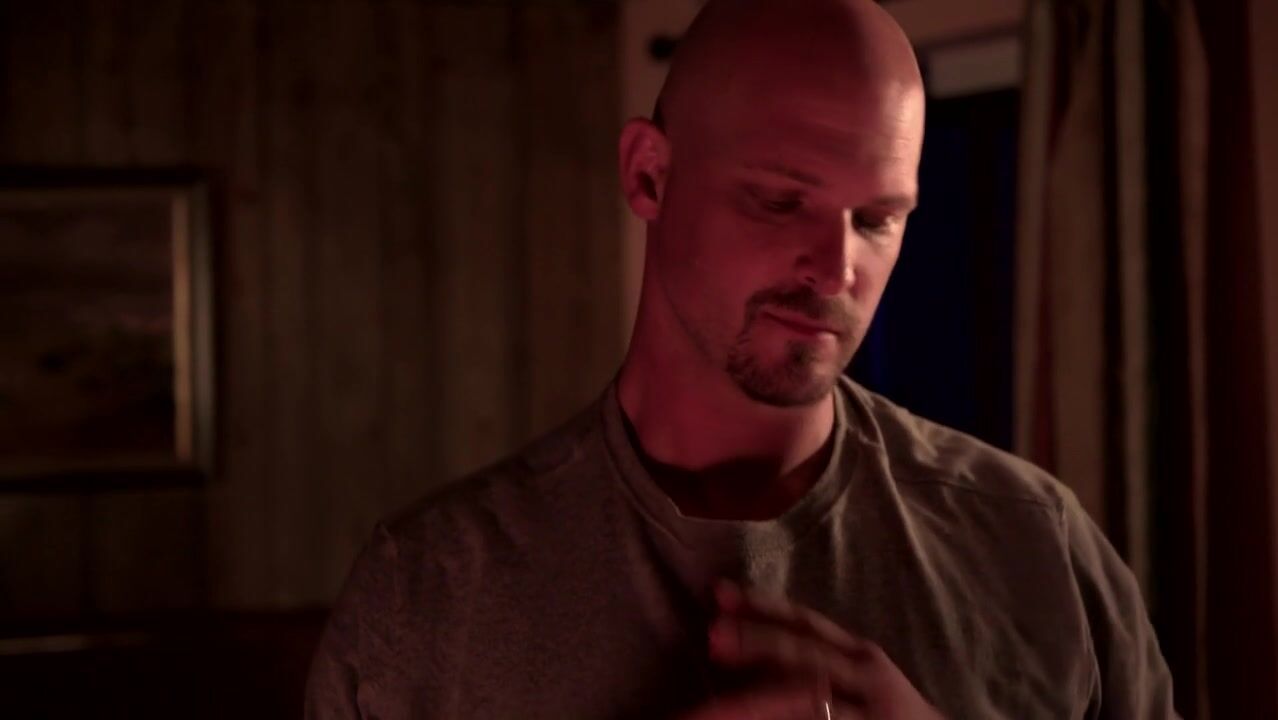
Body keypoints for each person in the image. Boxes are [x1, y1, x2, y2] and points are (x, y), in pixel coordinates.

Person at [305, 0, 1178, 717]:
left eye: (877, 219)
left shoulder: (1037, 548)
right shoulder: (430, 597)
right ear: (649, 176)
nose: (836, 268)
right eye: (779, 200)